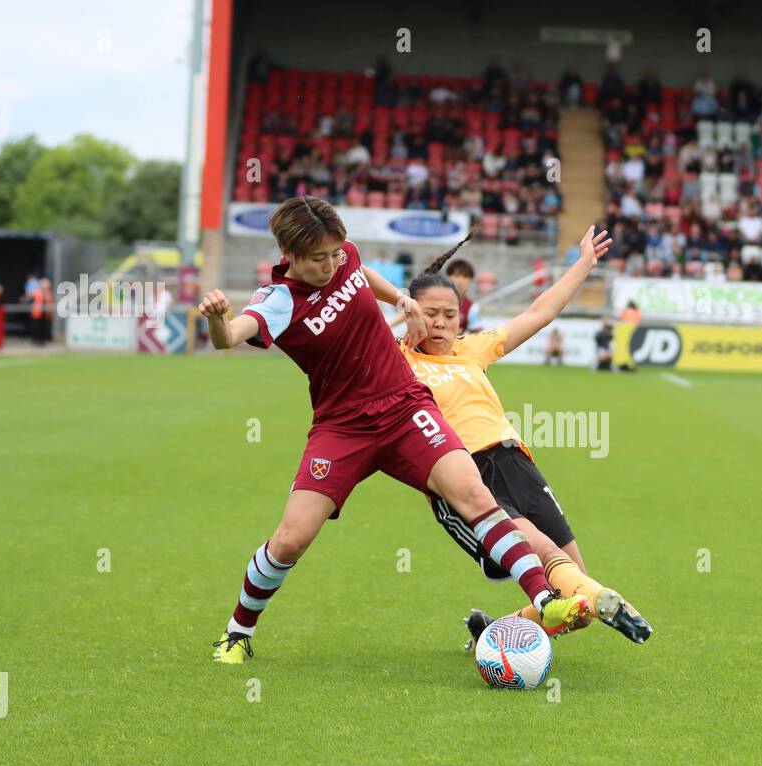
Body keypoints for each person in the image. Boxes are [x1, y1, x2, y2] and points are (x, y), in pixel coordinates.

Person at [196, 196, 589, 664]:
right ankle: (237, 634)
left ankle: (545, 599)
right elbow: (229, 339)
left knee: (474, 495)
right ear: (289, 254)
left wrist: (401, 297)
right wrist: (219, 319)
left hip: (405, 407)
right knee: (291, 539)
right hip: (343, 427)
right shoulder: (278, 302)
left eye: (336, 253)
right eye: (318, 259)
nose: (331, 264)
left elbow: (360, 272)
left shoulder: (346, 257)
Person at [397, 225, 651, 646]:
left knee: (578, 608)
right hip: (461, 475)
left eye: (449, 314)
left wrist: (584, 264)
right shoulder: (396, 361)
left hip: (517, 464)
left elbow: (538, 313)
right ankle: (607, 597)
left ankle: (493, 635)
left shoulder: (470, 349)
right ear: (410, 311)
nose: (440, 323)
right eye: (430, 313)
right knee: (552, 564)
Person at [444, 258, 481, 332]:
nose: (460, 281)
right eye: (456, 275)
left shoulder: (472, 307)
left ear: (470, 280)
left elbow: (476, 335)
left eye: (465, 277)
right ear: (447, 277)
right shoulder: (434, 300)